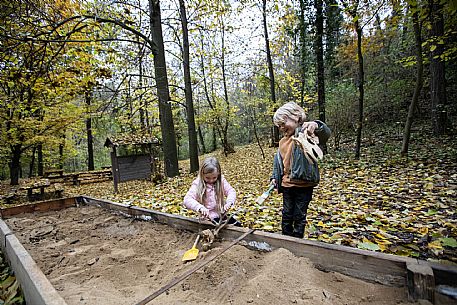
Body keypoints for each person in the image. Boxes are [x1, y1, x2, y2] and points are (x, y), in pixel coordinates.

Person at [271, 102, 331, 238]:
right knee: (286, 214)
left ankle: (298, 242)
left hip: (304, 186)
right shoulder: (282, 142)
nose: (281, 128)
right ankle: (286, 242)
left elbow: (325, 134)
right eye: (278, 126)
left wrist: (316, 125)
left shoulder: (305, 133)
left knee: (299, 216)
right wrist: (275, 177)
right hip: (287, 185)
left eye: (283, 123)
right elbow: (279, 162)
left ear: (296, 117)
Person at [183, 156, 240, 226]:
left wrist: (229, 202)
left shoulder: (221, 181)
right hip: (207, 219)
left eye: (214, 177)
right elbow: (187, 199)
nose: (211, 180)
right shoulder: (197, 184)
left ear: (218, 174)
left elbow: (231, 191)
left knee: (237, 225)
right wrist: (200, 207)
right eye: (207, 178)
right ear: (202, 174)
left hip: (221, 215)